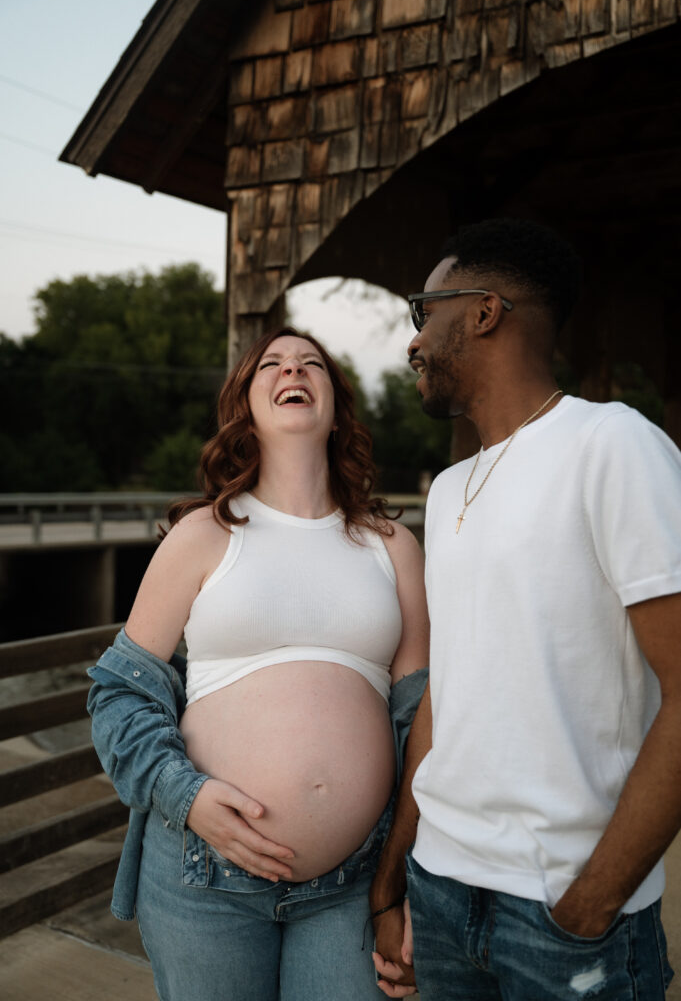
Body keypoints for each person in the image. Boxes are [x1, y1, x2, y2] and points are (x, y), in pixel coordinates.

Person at [370, 218, 681, 999]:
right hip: (440, 892)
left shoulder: (611, 444)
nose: (412, 341)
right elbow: (449, 695)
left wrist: (589, 906)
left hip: (562, 914)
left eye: (423, 312)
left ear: (482, 312)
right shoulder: (446, 492)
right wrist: (393, 879)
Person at [87, 327, 429, 1001]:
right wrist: (188, 797)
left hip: (353, 884)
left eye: (310, 364)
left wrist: (410, 883)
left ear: (335, 404)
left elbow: (422, 722)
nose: (291, 369)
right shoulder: (203, 533)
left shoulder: (392, 547)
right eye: (270, 364)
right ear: (246, 404)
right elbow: (117, 696)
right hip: (202, 876)